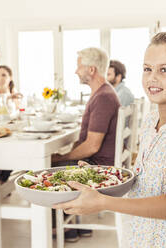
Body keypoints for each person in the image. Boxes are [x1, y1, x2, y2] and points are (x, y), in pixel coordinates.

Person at [53, 25, 166, 247]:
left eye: (164, 70)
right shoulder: (151, 119)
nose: (152, 78)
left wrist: (103, 202)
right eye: (147, 69)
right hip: (143, 233)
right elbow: (144, 179)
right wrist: (102, 176)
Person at [51, 47, 121, 241]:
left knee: (47, 167)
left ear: (91, 70)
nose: (76, 71)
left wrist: (61, 157)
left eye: (79, 66)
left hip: (96, 165)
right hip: (96, 160)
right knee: (56, 161)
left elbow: (91, 147)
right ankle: (74, 224)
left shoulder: (103, 97)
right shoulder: (102, 93)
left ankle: (63, 228)